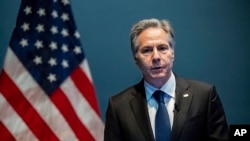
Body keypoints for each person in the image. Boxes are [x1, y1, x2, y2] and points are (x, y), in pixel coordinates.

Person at [104, 18, 229, 141]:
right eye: (147, 50)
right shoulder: (119, 107)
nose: (156, 57)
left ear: (172, 53)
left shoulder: (204, 96)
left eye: (162, 48)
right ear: (136, 60)